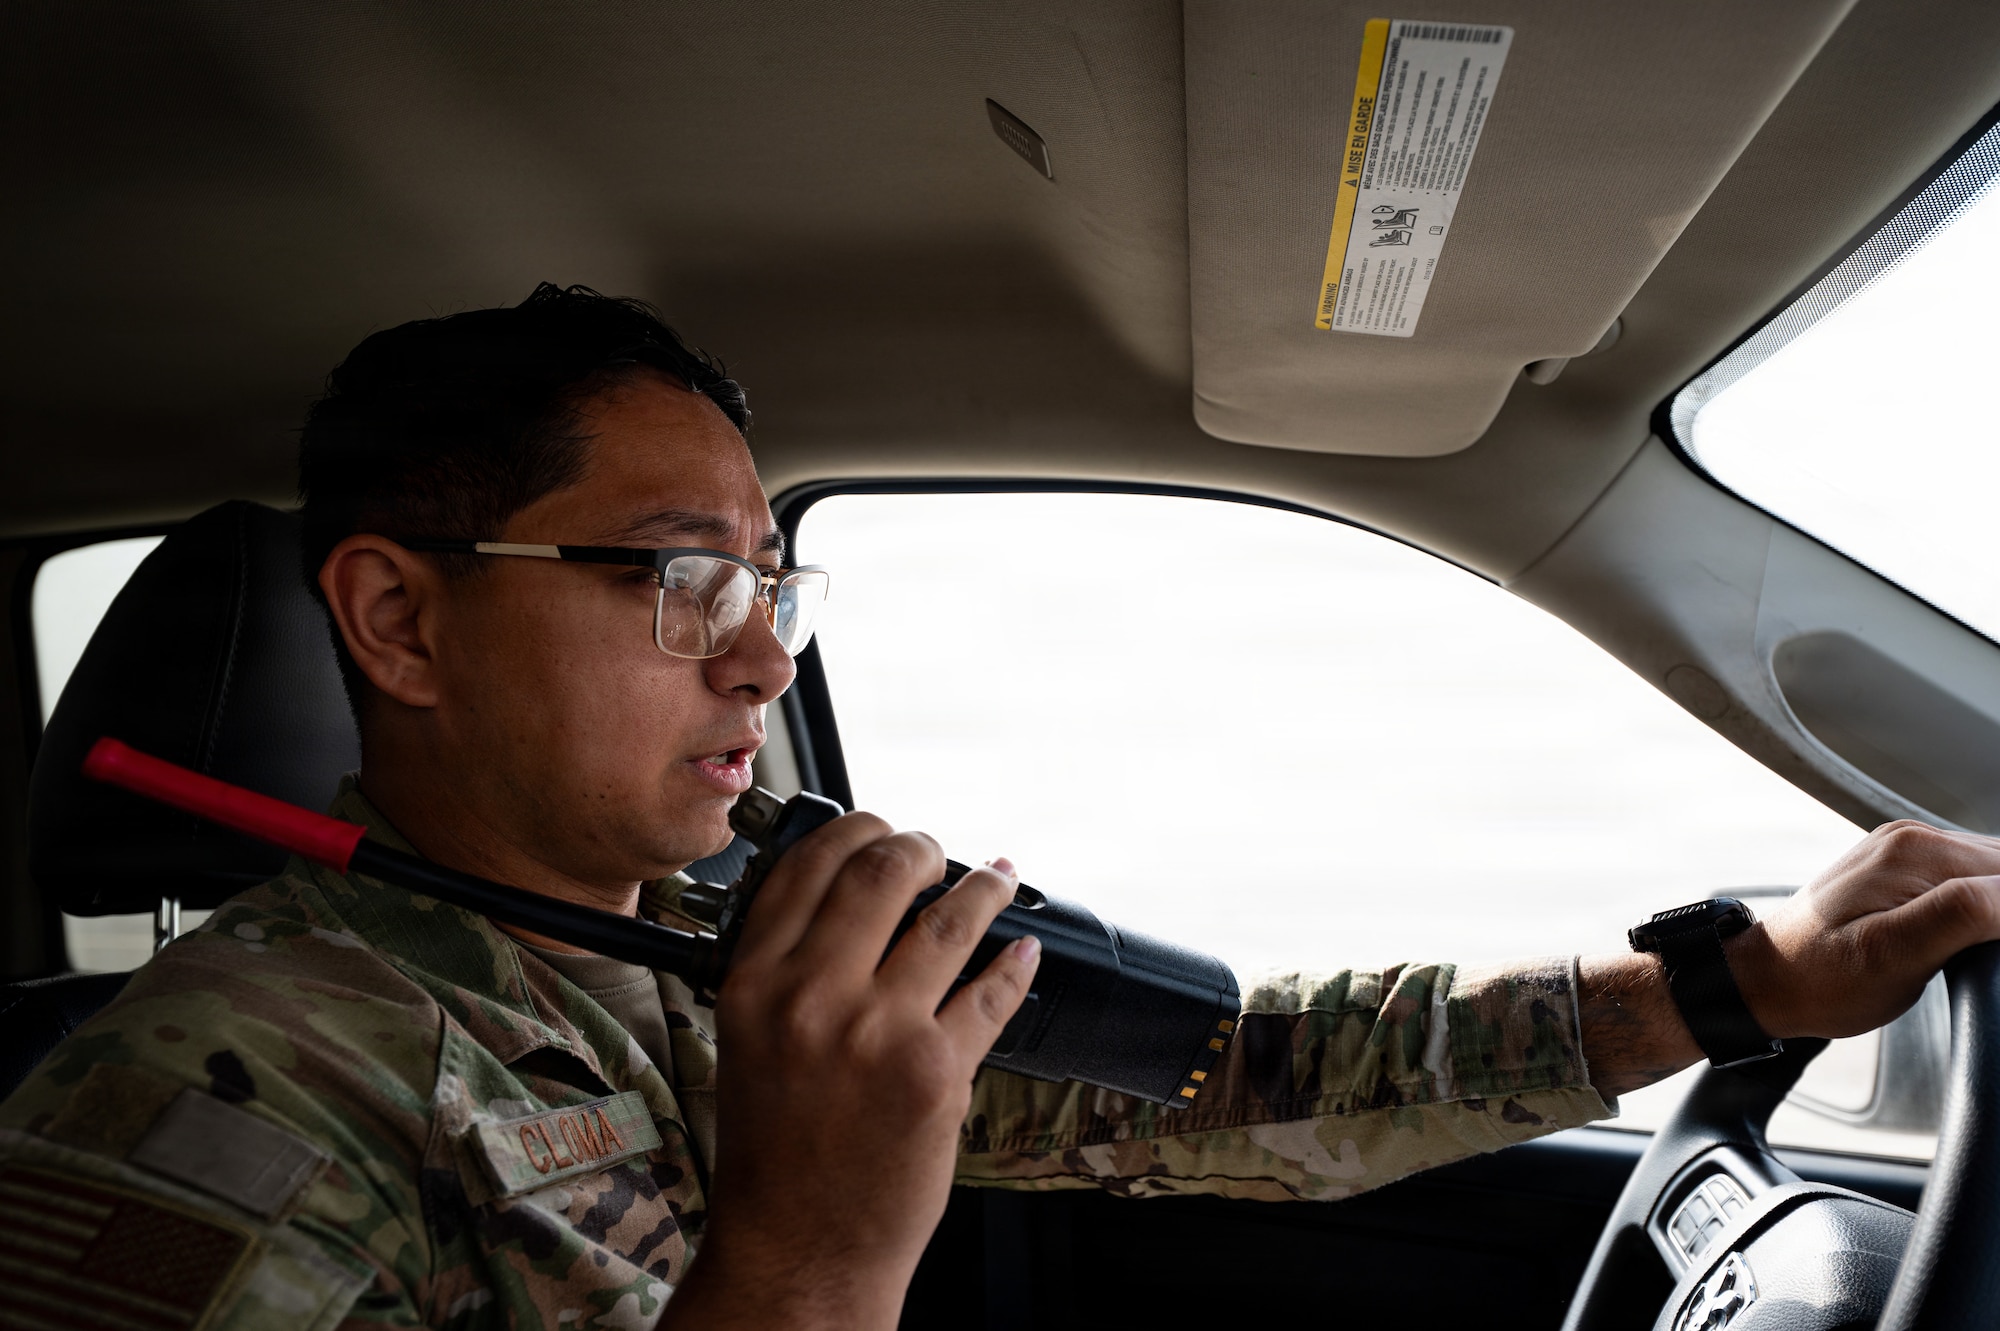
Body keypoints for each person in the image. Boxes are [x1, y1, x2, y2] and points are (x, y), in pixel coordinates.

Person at [4, 283, 1999, 1330]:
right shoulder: (205, 1096)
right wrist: (809, 1247)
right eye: (675, 573)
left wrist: (1730, 989)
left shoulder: (704, 959)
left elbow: (1224, 1088)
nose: (761, 661)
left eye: (773, 583)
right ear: (399, 624)